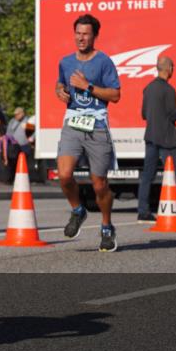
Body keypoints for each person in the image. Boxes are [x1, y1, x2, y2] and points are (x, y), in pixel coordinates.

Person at [55, 14, 121, 252]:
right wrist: (60, 91)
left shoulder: (104, 62)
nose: (81, 38)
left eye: (86, 34)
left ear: (94, 36)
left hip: (97, 127)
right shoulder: (65, 62)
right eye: (78, 33)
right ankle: (77, 210)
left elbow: (115, 95)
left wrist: (88, 87)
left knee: (99, 184)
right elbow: (60, 84)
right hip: (73, 123)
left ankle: (106, 227)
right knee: (63, 175)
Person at [136, 56, 176, 223]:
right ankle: (173, 213)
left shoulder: (148, 88)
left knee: (147, 175)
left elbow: (144, 114)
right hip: (167, 139)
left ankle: (143, 212)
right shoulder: (169, 90)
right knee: (172, 176)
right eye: (173, 67)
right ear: (169, 69)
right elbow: (171, 114)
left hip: (151, 136)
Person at [6, 106, 34, 172]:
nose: (16, 116)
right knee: (14, 162)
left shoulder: (28, 120)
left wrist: (31, 138)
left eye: (18, 114)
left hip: (25, 145)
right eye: (15, 114)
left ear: (22, 113)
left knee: (26, 162)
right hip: (14, 146)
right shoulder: (12, 121)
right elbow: (8, 133)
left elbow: (33, 133)